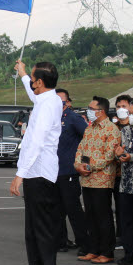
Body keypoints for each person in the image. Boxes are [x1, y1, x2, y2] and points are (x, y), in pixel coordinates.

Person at [8, 60, 64, 265]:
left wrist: (19, 175)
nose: (30, 82)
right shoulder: (44, 99)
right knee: (32, 228)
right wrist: (22, 74)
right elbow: (33, 95)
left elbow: (37, 142)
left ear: (40, 82)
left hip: (40, 173)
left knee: (42, 228)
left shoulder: (49, 104)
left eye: (32, 78)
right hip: (35, 173)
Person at [74, 96, 121, 265]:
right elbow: (80, 148)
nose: (88, 111)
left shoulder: (111, 129)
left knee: (103, 216)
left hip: (102, 179)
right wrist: (78, 164)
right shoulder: (89, 128)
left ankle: (107, 251)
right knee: (91, 215)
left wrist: (89, 167)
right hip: (87, 179)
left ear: (100, 111)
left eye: (90, 108)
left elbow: (109, 156)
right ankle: (93, 249)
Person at [55, 88, 90, 256]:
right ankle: (61, 241)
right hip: (52, 170)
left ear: (67, 103)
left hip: (68, 170)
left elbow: (87, 138)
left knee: (73, 208)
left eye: (61, 102)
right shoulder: (49, 118)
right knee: (56, 209)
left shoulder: (73, 118)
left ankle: (84, 242)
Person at [114, 98, 133, 265]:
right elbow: (122, 153)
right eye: (130, 113)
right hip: (125, 182)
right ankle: (130, 253)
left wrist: (131, 157)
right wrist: (119, 154)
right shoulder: (125, 131)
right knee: (127, 221)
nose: (130, 116)